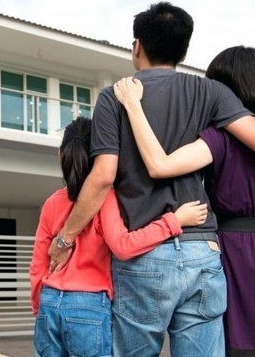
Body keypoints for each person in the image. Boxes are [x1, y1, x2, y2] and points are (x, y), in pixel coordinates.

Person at [47, 2, 255, 357]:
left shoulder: (114, 97)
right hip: (202, 250)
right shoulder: (212, 92)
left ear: (137, 46)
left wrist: (64, 238)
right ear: (184, 52)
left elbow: (104, 176)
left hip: (144, 256)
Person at [113, 46, 255, 356]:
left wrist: (133, 107)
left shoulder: (219, 139)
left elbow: (160, 165)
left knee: (238, 346)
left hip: (237, 254)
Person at [29, 116, 208, 357]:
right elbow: (123, 246)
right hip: (88, 306)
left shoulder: (53, 202)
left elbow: (38, 263)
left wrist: (39, 306)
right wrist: (174, 221)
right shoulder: (106, 198)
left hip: (49, 302)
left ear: (60, 154)